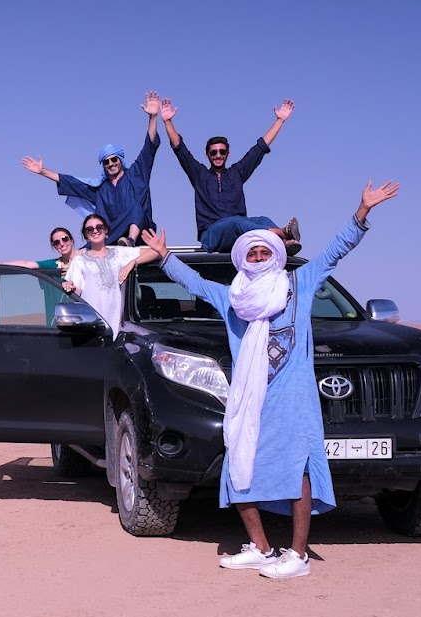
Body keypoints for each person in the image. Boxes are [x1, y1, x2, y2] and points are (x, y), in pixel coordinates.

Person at [141, 180, 400, 579]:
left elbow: (334, 252)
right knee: (238, 465)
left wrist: (362, 211)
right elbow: (195, 284)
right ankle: (261, 548)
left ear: (277, 255)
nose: (259, 256)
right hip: (250, 398)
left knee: (297, 472)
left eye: (265, 251)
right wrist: (164, 258)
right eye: (252, 252)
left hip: (292, 399)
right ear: (243, 258)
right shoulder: (233, 299)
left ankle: (298, 556)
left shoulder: (298, 285)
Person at [161, 97, 301, 254]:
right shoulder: (199, 174)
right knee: (236, 222)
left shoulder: (236, 173)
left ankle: (285, 244)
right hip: (212, 234)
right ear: (207, 155)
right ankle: (281, 233)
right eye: (213, 152)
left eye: (222, 152)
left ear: (228, 154)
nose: (218, 155)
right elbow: (180, 149)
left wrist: (280, 121)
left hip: (238, 230)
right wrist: (167, 122)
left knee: (263, 220)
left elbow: (259, 149)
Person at [22, 91, 163, 246]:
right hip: (111, 235)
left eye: (114, 159)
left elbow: (149, 147)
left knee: (136, 209)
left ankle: (130, 240)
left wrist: (153, 117)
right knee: (79, 253)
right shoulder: (100, 188)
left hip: (141, 234)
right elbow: (71, 182)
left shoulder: (137, 174)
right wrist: (43, 171)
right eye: (106, 162)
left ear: (121, 160)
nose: (110, 164)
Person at [61, 214, 159, 337]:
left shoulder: (120, 253)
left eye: (99, 227)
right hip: (92, 327)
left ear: (106, 230)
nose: (95, 231)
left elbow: (156, 251)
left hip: (119, 327)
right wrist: (70, 286)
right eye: (90, 229)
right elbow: (78, 291)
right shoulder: (79, 260)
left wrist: (132, 263)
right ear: (85, 235)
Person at [0, 226, 81, 280]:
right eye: (57, 242)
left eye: (65, 239)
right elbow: (26, 264)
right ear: (54, 246)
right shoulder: (54, 264)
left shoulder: (86, 256)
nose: (62, 244)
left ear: (71, 240)